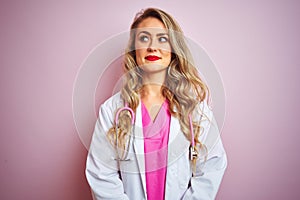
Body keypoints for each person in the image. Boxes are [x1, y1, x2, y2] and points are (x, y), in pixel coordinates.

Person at [85, 8, 227, 200]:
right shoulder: (112, 110)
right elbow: (101, 174)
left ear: (174, 49)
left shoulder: (194, 108)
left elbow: (212, 165)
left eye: (162, 39)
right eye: (144, 38)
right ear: (134, 50)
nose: (152, 47)